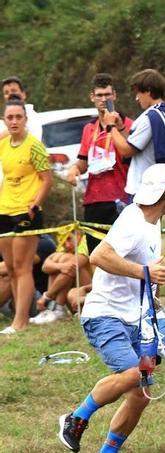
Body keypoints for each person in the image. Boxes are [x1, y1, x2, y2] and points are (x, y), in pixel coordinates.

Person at [57, 163, 165, 453]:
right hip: (105, 315)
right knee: (134, 374)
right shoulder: (133, 222)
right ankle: (76, 418)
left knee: (141, 392)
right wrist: (144, 272)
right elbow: (98, 256)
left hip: (136, 319)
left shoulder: (152, 213)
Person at [0, 100, 52, 335]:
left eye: (18, 117)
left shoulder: (34, 145)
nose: (13, 121)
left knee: (22, 268)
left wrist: (36, 203)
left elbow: (47, 178)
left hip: (26, 211)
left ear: (25, 119)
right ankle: (18, 317)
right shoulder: (3, 144)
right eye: (9, 117)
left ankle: (21, 320)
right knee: (10, 267)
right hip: (5, 209)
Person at [65, 73, 132, 253]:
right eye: (99, 95)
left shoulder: (127, 124)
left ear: (114, 95)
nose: (104, 99)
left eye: (107, 95)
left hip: (120, 198)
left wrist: (116, 127)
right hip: (94, 199)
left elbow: (131, 151)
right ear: (92, 97)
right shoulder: (89, 129)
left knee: (120, 254)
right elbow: (83, 162)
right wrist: (74, 169)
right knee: (96, 255)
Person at [103, 69, 165, 198]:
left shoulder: (150, 117)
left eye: (138, 93)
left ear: (148, 90)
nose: (137, 98)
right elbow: (136, 144)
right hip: (156, 184)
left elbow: (127, 151)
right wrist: (121, 128)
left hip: (143, 187)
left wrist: (111, 126)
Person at [30, 231, 91, 324]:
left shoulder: (85, 241)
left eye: (69, 239)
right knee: (60, 262)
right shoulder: (65, 249)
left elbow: (72, 266)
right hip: (74, 299)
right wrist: (60, 267)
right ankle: (55, 309)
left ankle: (55, 307)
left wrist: (46, 297)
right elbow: (45, 267)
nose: (66, 245)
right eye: (62, 241)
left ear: (78, 234)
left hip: (89, 293)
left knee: (72, 266)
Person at [0, 76, 41, 140]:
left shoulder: (31, 116)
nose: (10, 94)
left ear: (23, 94)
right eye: (6, 93)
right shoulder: (2, 121)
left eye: (13, 91)